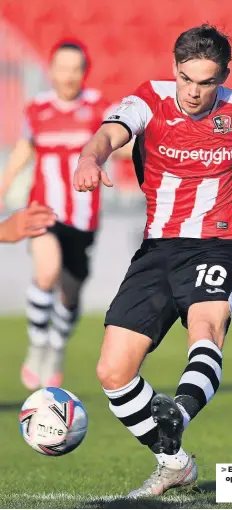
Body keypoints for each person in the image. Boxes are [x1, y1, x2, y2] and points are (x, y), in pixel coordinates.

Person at [73, 24, 232, 497]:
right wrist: (89, 159)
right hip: (158, 247)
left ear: (223, 74)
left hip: (217, 243)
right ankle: (174, 463)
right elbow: (109, 134)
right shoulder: (148, 100)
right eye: (186, 79)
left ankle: (176, 415)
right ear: (174, 69)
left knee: (206, 330)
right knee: (112, 372)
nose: (195, 91)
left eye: (206, 81)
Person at [0, 41, 113, 391]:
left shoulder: (97, 107)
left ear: (84, 71)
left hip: (83, 218)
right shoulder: (38, 109)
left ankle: (57, 346)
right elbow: (22, 154)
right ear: (51, 71)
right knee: (46, 272)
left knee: (70, 294)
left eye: (76, 68)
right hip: (43, 211)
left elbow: (116, 144)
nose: (69, 75)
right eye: (62, 68)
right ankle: (37, 344)